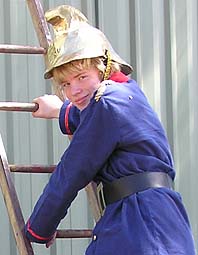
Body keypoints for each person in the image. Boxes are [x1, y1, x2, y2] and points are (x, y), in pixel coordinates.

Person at [25, 4, 196, 255]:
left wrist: (39, 226)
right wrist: (61, 111)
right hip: (155, 218)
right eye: (65, 84)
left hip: (138, 222)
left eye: (81, 77)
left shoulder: (106, 103)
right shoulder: (127, 95)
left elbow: (72, 169)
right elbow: (98, 118)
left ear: (104, 67)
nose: (74, 90)